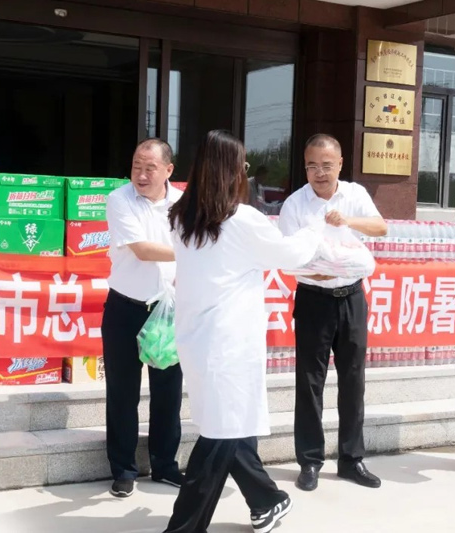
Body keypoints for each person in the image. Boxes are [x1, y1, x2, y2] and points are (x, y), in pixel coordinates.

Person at [164, 130, 321, 533]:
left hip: (197, 339)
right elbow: (292, 255)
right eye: (243, 166)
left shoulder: (181, 217)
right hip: (229, 345)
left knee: (229, 427)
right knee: (220, 436)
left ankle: (267, 501)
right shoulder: (241, 220)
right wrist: (314, 227)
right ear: (232, 171)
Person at [278, 134, 388, 492]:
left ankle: (351, 459)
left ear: (340, 164)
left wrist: (348, 221)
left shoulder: (355, 195)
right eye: (312, 166)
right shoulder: (295, 204)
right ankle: (309, 461)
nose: (319, 173)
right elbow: (287, 256)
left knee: (353, 380)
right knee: (310, 382)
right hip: (313, 299)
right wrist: (314, 273)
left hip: (351, 298)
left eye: (326, 165)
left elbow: (381, 227)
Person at [102, 138, 184, 498]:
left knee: (169, 392)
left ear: (168, 170)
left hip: (169, 310)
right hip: (126, 308)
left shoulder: (184, 204)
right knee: (122, 392)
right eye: (137, 165)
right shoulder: (119, 199)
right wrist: (191, 251)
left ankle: (165, 465)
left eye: (150, 167)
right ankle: (123, 470)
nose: (142, 174)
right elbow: (142, 249)